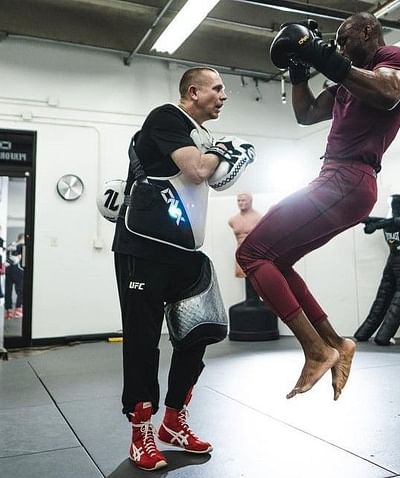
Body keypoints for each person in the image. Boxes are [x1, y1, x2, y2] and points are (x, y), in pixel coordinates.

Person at [236, 13, 400, 401]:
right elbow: (306, 115)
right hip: (339, 180)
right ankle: (337, 343)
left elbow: (388, 92)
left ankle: (316, 349)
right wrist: (300, 72)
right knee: (275, 263)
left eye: (344, 38)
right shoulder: (347, 84)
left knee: (251, 253)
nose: (339, 46)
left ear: (368, 31)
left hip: (347, 179)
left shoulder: (393, 57)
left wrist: (318, 53)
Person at [111, 67, 254, 471]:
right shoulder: (167, 117)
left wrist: (221, 149)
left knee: (200, 331)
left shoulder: (202, 134)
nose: (224, 96)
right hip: (144, 248)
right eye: (218, 88)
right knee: (142, 339)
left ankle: (174, 419)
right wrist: (227, 151)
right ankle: (142, 428)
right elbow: (198, 171)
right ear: (193, 91)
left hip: (185, 249)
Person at [355, 194, 400, 345]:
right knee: (388, 300)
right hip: (398, 260)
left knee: (391, 300)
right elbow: (387, 221)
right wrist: (368, 220)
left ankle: (378, 336)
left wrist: (374, 225)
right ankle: (370, 335)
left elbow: (396, 221)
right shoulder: (393, 222)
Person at [228, 192, 262, 301]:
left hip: (254, 254)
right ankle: (250, 301)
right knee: (245, 277)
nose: (241, 203)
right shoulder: (232, 220)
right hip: (240, 252)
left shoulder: (258, 218)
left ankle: (255, 300)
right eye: (239, 200)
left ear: (250, 201)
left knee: (255, 278)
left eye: (243, 200)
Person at [4, 232, 24, 320]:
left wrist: (6, 264)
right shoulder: (22, 246)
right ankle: (18, 311)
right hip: (18, 270)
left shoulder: (11, 245)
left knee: (8, 291)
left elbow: (6, 256)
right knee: (20, 291)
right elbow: (18, 258)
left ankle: (8, 312)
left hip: (8, 270)